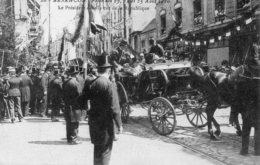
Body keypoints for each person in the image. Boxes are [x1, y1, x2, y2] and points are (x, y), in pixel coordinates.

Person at [79, 55, 122, 165]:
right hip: (106, 124)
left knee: (97, 150)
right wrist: (119, 124)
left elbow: (82, 100)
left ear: (98, 70)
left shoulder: (91, 83)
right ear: (108, 70)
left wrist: (87, 111)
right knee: (105, 152)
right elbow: (115, 108)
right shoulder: (109, 84)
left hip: (94, 123)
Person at [63, 66, 82, 144]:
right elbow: (80, 94)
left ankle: (69, 138)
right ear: (76, 74)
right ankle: (74, 138)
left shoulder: (66, 82)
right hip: (75, 105)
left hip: (67, 104)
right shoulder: (76, 83)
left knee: (69, 122)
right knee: (74, 122)